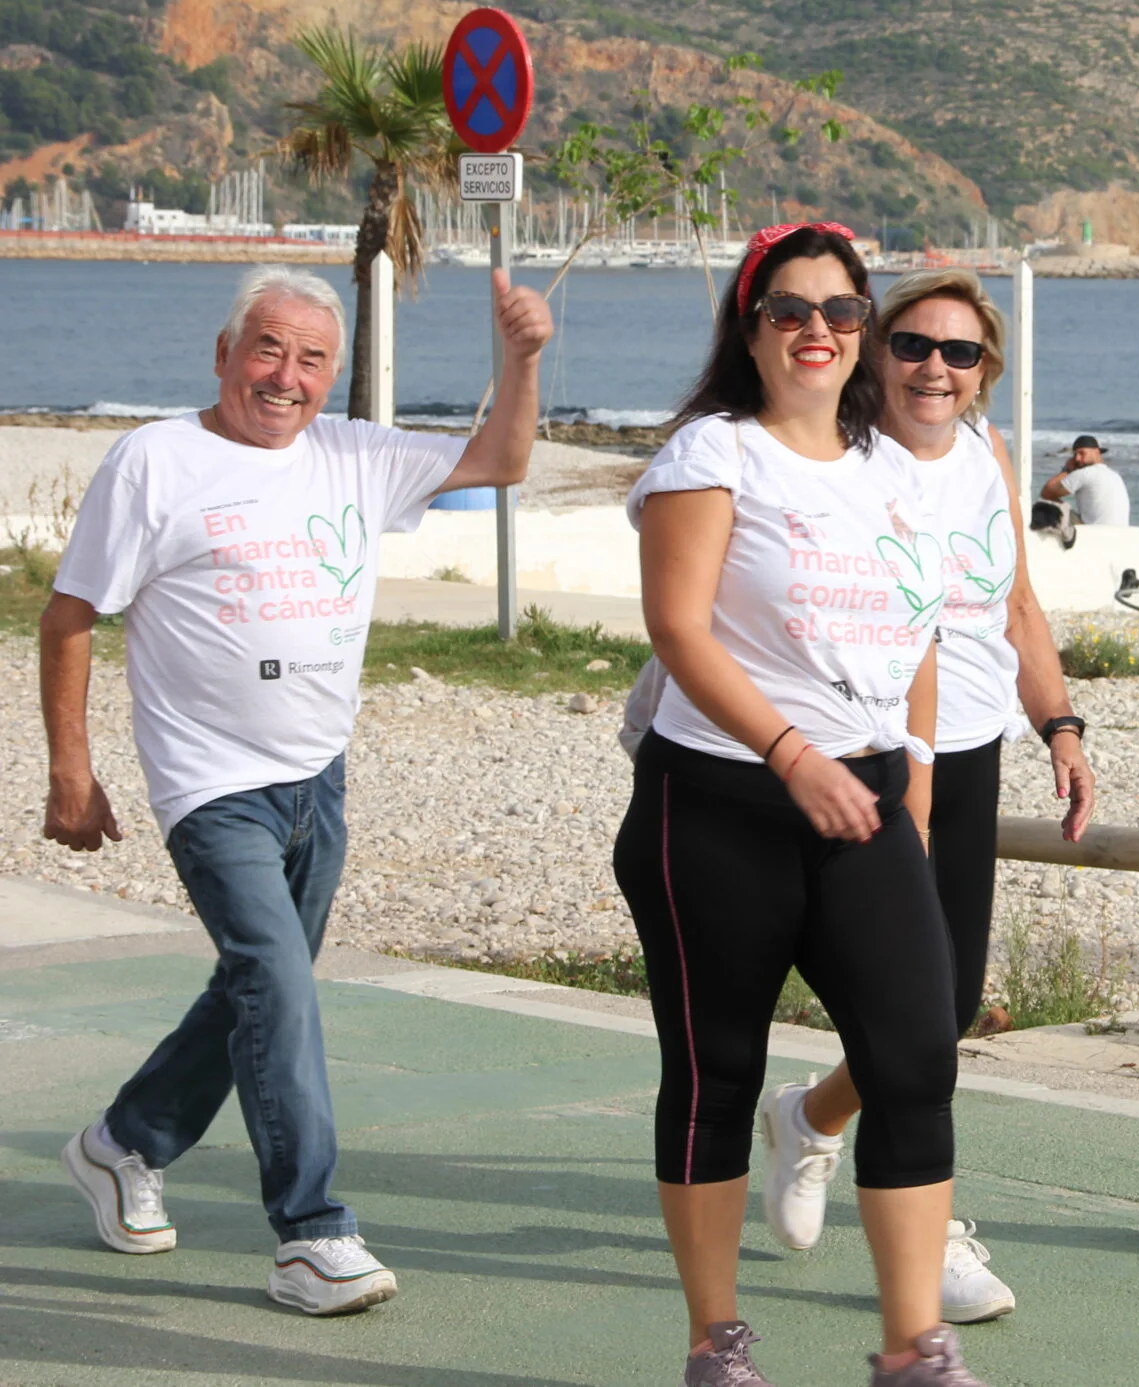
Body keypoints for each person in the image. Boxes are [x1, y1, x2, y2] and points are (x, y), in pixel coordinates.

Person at [43, 265, 550, 1314]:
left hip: (318, 778)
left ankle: (122, 1143)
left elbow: (500, 457)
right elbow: (71, 616)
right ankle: (312, 1235)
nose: (287, 376)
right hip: (209, 784)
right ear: (223, 355)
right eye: (267, 349)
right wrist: (72, 771)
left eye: (313, 359)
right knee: (278, 984)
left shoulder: (353, 455)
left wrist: (523, 357)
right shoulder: (155, 461)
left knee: (254, 989)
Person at [616, 222, 987, 1387]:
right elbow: (677, 629)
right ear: (752, 327)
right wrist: (787, 752)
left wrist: (912, 776)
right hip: (718, 805)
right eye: (791, 310)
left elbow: (921, 631)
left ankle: (910, 1347)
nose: (818, 331)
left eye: (840, 311)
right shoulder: (709, 456)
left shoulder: (894, 468)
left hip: (866, 799)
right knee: (714, 1072)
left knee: (918, 1058)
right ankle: (715, 1341)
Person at [756, 268, 1097, 1325]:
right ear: (870, 348)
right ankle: (925, 1233)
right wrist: (907, 776)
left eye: (959, 353)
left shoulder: (987, 459)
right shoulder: (848, 465)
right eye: (911, 345)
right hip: (875, 754)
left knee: (943, 1008)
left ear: (984, 371)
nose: (933, 369)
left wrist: (1062, 724)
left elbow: (1016, 606)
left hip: (974, 745)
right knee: (915, 1009)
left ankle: (810, 1119)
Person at [1038, 435, 1129, 527]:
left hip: (1093, 532)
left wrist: (1067, 470)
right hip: (1120, 532)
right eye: (1075, 454)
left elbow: (1046, 493)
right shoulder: (1115, 475)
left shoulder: (1084, 473)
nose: (1077, 458)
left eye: (1082, 453)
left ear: (1096, 452)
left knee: (1045, 505)